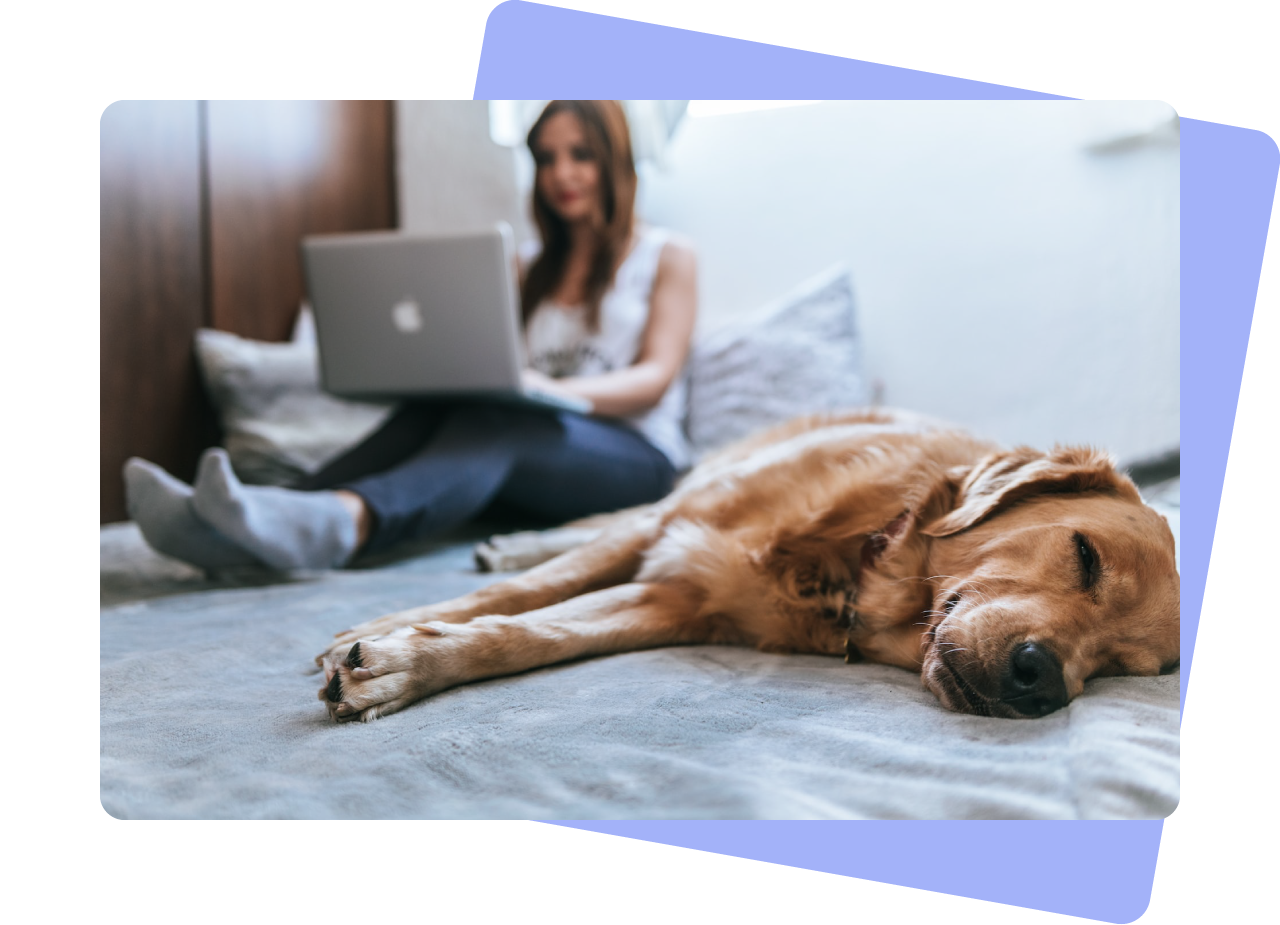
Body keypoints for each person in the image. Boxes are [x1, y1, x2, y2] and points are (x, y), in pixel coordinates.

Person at [124, 100, 697, 573]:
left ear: (614, 160)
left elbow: (656, 378)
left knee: (500, 423)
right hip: (534, 438)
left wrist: (552, 389)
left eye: (580, 156)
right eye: (546, 159)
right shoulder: (525, 266)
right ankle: (258, 517)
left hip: (634, 457)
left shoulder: (666, 255)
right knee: (447, 408)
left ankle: (342, 523)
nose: (561, 175)